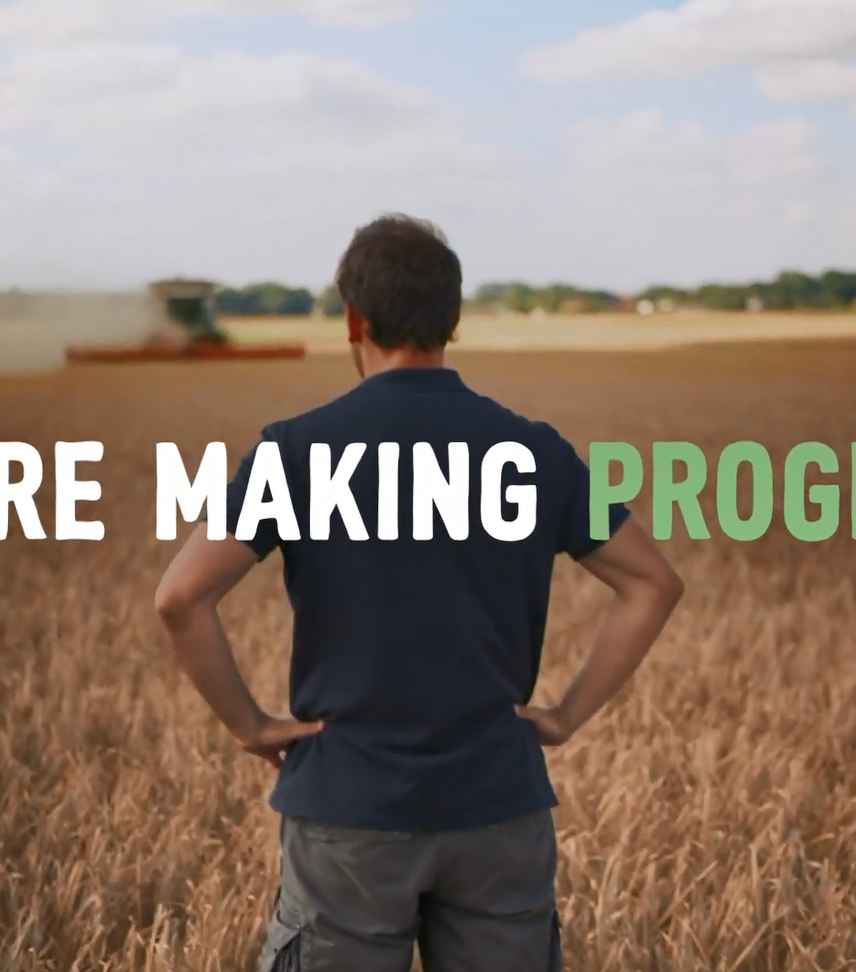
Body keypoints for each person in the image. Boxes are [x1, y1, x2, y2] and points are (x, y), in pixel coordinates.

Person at [153, 214, 684, 971]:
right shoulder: (531, 451)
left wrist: (250, 724)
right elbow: (653, 583)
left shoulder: (296, 450)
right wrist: (565, 715)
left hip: (349, 807)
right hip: (498, 804)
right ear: (450, 320)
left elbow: (179, 598)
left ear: (353, 319)